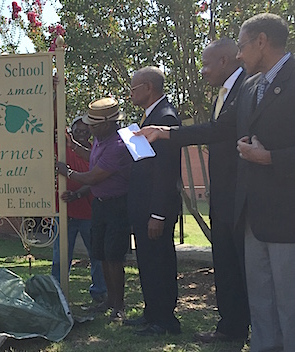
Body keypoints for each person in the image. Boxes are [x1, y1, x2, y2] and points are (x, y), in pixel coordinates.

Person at [135, 39, 250, 343]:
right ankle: (229, 328)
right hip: (223, 196)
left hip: (240, 195)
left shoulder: (246, 88)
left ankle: (237, 329)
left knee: (239, 267)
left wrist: (165, 133)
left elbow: (218, 131)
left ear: (225, 61)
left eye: (207, 64)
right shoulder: (223, 94)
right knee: (225, 265)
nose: (202, 71)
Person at [232, 13, 295, 351]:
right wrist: (167, 133)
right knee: (261, 301)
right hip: (252, 216)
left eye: (242, 47)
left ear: (261, 41)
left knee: (290, 302)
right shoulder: (249, 86)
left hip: (288, 217)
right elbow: (223, 131)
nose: (238, 55)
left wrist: (271, 158)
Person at [57, 97, 132, 321]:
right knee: (101, 254)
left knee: (114, 256)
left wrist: (66, 172)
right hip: (100, 205)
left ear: (108, 124)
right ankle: (108, 301)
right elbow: (92, 158)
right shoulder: (101, 139)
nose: (90, 128)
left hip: (117, 205)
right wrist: (73, 147)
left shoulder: (118, 145)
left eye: (94, 124)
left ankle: (118, 305)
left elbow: (92, 175)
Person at [124, 66, 182, 335]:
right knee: (147, 262)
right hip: (142, 206)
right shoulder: (149, 118)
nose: (131, 93)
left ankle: (166, 320)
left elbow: (166, 172)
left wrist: (158, 213)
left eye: (134, 88)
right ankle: (152, 313)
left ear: (148, 88)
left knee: (160, 263)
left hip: (156, 209)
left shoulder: (165, 118)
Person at [51, 115, 107, 306]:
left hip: (88, 214)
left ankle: (100, 294)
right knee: (60, 257)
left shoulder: (94, 151)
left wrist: (77, 195)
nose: (82, 134)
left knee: (96, 256)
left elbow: (96, 179)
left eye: (85, 131)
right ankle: (57, 295)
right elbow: (52, 121)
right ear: (71, 131)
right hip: (64, 214)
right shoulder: (61, 148)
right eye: (78, 130)